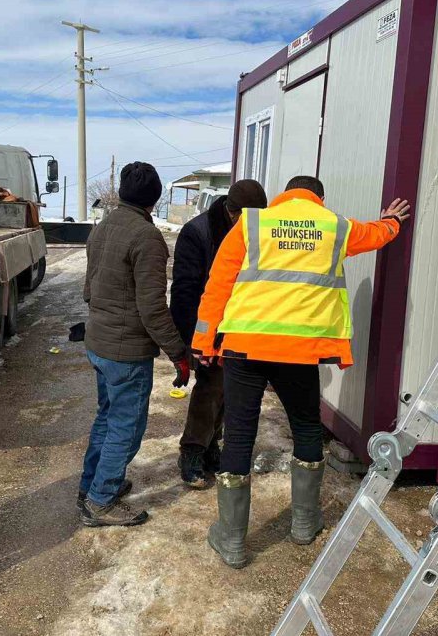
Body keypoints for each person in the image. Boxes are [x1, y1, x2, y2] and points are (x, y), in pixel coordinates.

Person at [192, 175, 411, 568]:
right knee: (307, 427)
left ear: (282, 197)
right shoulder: (334, 226)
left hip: (246, 344)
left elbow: (218, 284)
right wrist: (393, 221)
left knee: (240, 433)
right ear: (319, 198)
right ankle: (304, 525)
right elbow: (375, 235)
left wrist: (204, 341)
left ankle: (232, 540)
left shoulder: (253, 223)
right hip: (299, 348)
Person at [79, 162, 193, 527]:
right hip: (125, 351)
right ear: (155, 198)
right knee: (125, 427)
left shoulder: (103, 227)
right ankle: (102, 499)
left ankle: (91, 486)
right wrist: (178, 352)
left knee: (106, 418)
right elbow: (153, 308)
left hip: (99, 342)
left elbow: (88, 287)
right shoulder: (147, 238)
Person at [170, 180, 268, 489]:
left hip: (241, 326)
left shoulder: (257, 228)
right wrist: (192, 340)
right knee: (210, 389)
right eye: (245, 218)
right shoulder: (197, 233)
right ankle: (192, 452)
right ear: (230, 211)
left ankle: (211, 444)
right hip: (208, 326)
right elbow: (184, 292)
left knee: (229, 391)